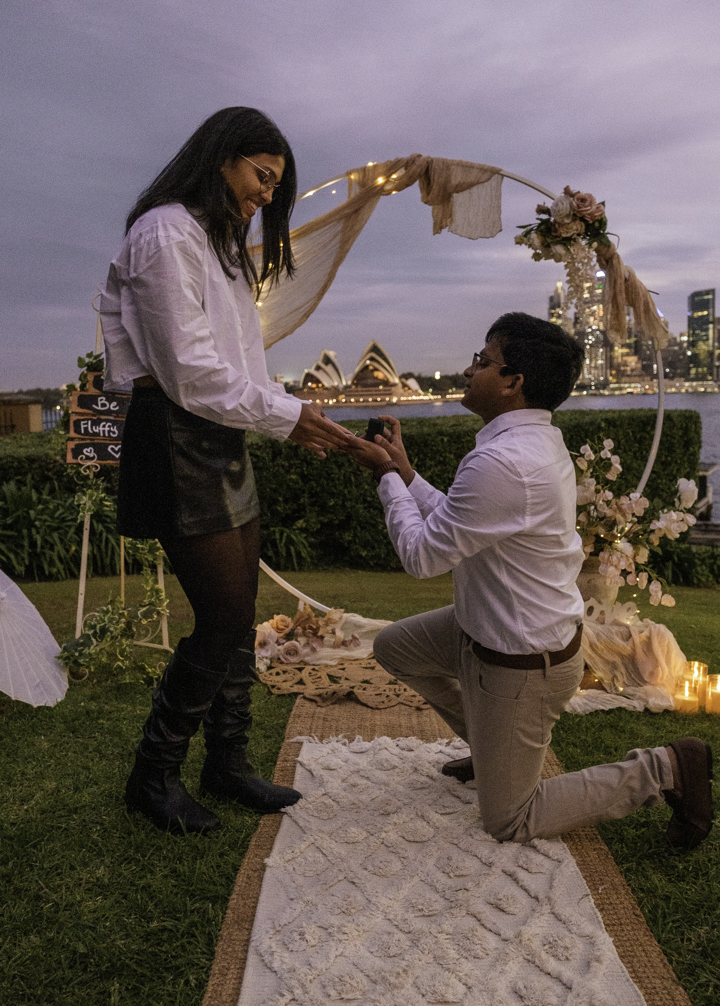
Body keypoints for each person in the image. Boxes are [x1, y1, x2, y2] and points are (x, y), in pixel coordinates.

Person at [347, 312, 713, 848]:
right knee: (396, 648)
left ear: (514, 382)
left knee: (509, 818)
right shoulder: (530, 444)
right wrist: (404, 471)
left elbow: (423, 557)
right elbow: (460, 520)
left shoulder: (505, 461)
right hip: (483, 631)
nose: (469, 369)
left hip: (520, 661)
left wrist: (384, 479)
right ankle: (491, 746)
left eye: (483, 360)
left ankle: (666, 769)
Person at [100, 107, 353, 835]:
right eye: (260, 176)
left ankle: (228, 762)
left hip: (219, 437)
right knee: (218, 619)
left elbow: (238, 367)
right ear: (221, 160)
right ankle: (153, 777)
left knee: (239, 615)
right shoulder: (164, 233)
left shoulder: (216, 244)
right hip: (176, 438)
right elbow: (188, 374)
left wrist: (287, 416)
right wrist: (286, 416)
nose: (267, 195)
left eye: (276, 184)